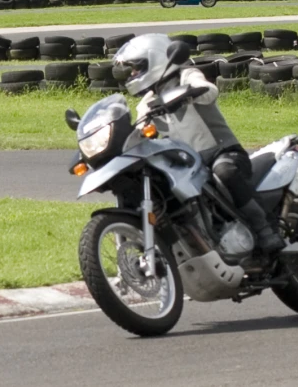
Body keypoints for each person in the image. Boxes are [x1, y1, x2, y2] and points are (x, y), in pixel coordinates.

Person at [114, 33, 286, 255]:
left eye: (137, 68)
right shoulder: (147, 102)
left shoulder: (186, 75)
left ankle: (265, 230)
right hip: (186, 166)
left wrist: (191, 92)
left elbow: (208, 90)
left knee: (225, 172)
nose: (133, 74)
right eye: (132, 70)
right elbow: (138, 131)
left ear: (155, 60)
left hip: (221, 153)